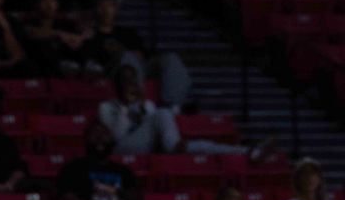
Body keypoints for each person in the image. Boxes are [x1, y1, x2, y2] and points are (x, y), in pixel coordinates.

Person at [98, 65, 261, 158]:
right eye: (125, 80)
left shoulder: (146, 104)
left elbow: (153, 133)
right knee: (163, 114)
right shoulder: (107, 107)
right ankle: (175, 147)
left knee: (199, 146)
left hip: (154, 148)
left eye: (132, 80)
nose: (129, 84)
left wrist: (139, 106)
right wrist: (125, 106)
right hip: (121, 149)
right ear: (117, 84)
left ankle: (246, 151)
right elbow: (116, 136)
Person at [57, 121, 171, 200]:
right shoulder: (73, 168)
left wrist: (121, 198)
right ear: (85, 139)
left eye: (104, 134)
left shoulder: (123, 171)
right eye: (95, 134)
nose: (100, 137)